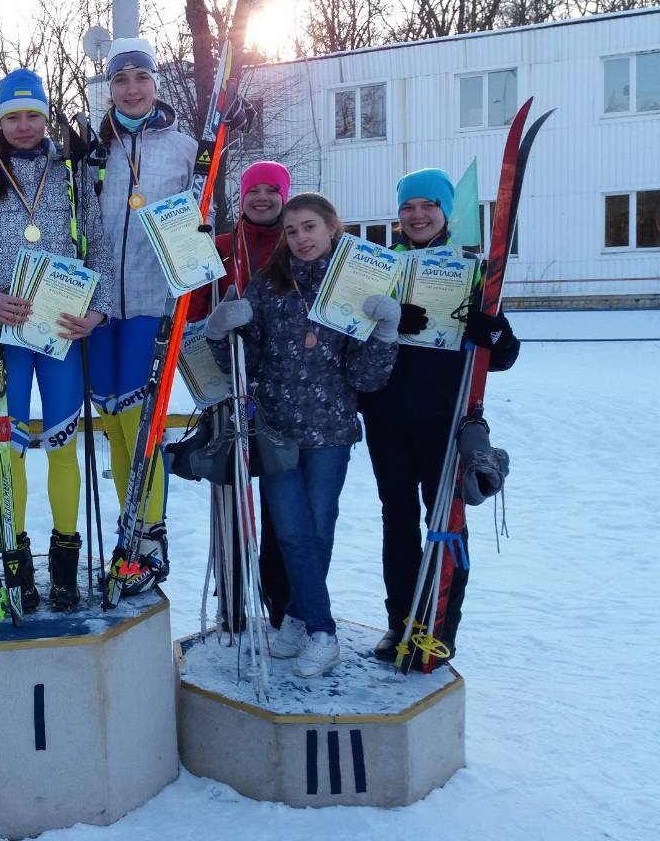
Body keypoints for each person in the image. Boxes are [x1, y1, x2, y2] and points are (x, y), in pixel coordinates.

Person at [0, 67, 114, 612]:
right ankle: (17, 561)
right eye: (11, 117)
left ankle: (65, 560)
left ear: (46, 118)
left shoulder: (73, 175)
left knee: (62, 443)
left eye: (31, 115)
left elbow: (101, 248)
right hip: (6, 335)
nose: (22, 126)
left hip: (61, 333)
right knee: (9, 449)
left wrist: (98, 311)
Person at [206, 193, 400, 678]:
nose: (301, 239)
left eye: (310, 227)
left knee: (315, 532)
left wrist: (384, 333)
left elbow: (366, 379)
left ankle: (302, 619)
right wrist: (220, 331)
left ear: (333, 228)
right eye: (292, 232)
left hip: (331, 432)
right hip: (276, 431)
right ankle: (319, 629)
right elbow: (239, 361)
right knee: (292, 533)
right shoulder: (269, 287)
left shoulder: (353, 288)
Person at [359, 167, 520, 665]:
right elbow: (351, 337)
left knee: (446, 520)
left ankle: (439, 624)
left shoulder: (473, 272)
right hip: (386, 417)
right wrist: (383, 321)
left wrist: (487, 329)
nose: (417, 215)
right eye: (408, 206)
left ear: (446, 212)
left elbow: (507, 352)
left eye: (429, 205)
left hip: (445, 420)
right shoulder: (381, 269)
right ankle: (400, 622)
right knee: (398, 520)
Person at [85, 37, 197, 595]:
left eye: (141, 79)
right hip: (97, 308)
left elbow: (196, 226)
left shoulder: (183, 147)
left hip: (152, 304)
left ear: (156, 85)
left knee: (143, 427)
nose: (131, 89)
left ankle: (150, 536)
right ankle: (126, 529)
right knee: (113, 425)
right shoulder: (88, 150)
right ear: (110, 89)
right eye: (121, 80)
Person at [188, 159, 293, 627]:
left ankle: (281, 603)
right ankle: (232, 606)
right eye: (255, 190)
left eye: (273, 190)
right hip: (227, 388)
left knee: (280, 501)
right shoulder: (222, 248)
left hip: (283, 393)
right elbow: (191, 310)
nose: (263, 198)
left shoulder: (298, 247)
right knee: (231, 496)